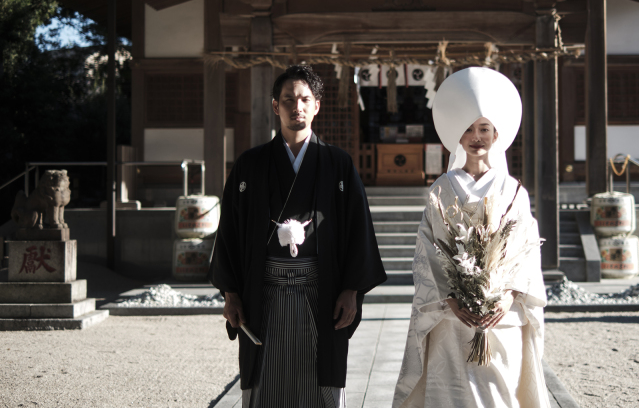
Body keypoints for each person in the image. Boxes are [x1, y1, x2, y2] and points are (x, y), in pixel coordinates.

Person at [209, 65, 387, 408]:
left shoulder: (338, 164)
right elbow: (230, 230)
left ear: (317, 105)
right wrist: (230, 293)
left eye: (305, 98)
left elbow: (357, 230)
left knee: (320, 382)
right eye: (288, 99)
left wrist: (351, 289)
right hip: (264, 291)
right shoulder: (251, 164)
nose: (297, 106)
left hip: (322, 290)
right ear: (275, 106)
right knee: (265, 383)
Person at [393, 67, 548, 408]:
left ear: (497, 134)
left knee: (500, 395)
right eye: (468, 129)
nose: (476, 136)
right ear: (457, 136)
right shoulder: (442, 189)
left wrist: (507, 296)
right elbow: (429, 250)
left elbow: (525, 251)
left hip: (500, 317)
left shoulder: (513, 192)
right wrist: (451, 299)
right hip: (452, 317)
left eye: (484, 128)